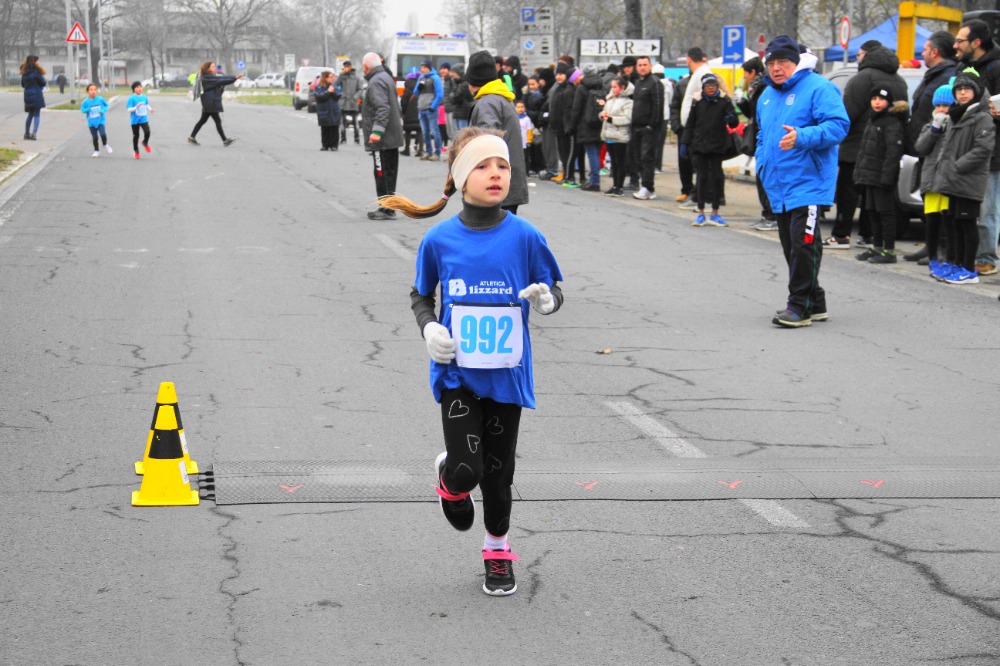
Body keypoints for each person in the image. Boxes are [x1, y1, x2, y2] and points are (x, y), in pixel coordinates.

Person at [379, 127, 564, 597]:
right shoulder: (440, 239)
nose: (496, 173)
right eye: (483, 165)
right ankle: (452, 480)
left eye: (503, 165)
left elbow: (553, 287)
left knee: (499, 477)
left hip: (507, 376)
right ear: (462, 176)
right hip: (457, 373)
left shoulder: (525, 236)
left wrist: (548, 301)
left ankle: (497, 550)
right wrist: (430, 329)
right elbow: (421, 294)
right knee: (468, 471)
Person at [756, 36, 849, 328]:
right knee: (791, 247)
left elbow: (838, 126)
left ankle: (799, 307)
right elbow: (762, 135)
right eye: (771, 62)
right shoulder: (766, 95)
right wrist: (761, 161)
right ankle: (815, 300)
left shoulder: (819, 87)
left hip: (809, 181)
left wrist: (802, 136)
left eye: (783, 62)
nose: (776, 68)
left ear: (796, 62)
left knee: (803, 243)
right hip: (778, 184)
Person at [917, 69, 995, 284]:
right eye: (959, 89)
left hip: (968, 180)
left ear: (975, 92)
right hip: (951, 180)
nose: (962, 93)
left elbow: (983, 149)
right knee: (955, 224)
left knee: (967, 225)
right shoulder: (955, 116)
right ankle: (957, 265)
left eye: (967, 89)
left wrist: (957, 166)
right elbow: (942, 149)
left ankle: (968, 269)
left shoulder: (981, 117)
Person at [830, 40, 907, 248]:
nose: (857, 59)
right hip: (885, 148)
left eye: (858, 55)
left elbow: (847, 114)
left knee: (847, 193)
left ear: (866, 54)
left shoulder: (862, 78)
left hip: (857, 146)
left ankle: (841, 235)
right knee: (871, 197)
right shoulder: (899, 80)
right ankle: (868, 235)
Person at [903, 31, 957, 263]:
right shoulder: (932, 75)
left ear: (935, 52)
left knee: (941, 202)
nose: (922, 53)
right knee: (929, 200)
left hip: (938, 148)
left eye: (925, 49)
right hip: (925, 146)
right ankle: (930, 245)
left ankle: (942, 249)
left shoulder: (948, 76)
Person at [953, 19, 1000, 275]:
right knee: (966, 209)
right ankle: (963, 255)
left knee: (988, 208)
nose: (955, 45)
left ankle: (987, 258)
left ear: (976, 42)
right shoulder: (962, 67)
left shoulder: (997, 67)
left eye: (960, 40)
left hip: (992, 150)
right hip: (963, 148)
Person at [466, 50, 529, 214]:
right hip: (506, 179)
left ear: (472, 82)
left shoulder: (487, 103)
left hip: (495, 184)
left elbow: (487, 143)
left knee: (493, 227)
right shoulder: (501, 97)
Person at [852, 86, 908, 263]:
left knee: (885, 213)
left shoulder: (891, 122)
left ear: (889, 102)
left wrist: (887, 177)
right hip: (869, 175)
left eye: (881, 99)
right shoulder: (873, 119)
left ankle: (889, 250)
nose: (877, 102)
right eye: (874, 98)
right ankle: (877, 246)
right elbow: (865, 150)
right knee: (872, 211)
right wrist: (859, 173)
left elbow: (893, 152)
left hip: (882, 177)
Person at [681, 73, 739, 227]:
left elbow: (734, 123)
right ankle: (700, 212)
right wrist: (685, 142)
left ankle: (715, 212)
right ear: (703, 88)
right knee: (701, 178)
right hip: (700, 145)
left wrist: (732, 118)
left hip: (718, 145)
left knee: (717, 178)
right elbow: (690, 124)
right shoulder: (697, 102)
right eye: (708, 86)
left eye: (713, 85)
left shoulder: (724, 101)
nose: (711, 88)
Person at [915, 85, 958, 277]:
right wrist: (934, 129)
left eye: (946, 106)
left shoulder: (956, 127)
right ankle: (932, 255)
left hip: (947, 182)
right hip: (931, 182)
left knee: (947, 222)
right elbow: (920, 147)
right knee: (932, 222)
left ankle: (946, 255)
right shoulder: (929, 127)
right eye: (938, 105)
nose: (941, 109)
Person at [361, 51, 404, 220]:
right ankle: (389, 207)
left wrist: (377, 131)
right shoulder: (386, 77)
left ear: (366, 67)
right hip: (392, 134)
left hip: (383, 137)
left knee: (381, 172)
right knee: (390, 172)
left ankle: (386, 208)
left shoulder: (375, 81)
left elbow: (382, 108)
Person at [736, 57, 777, 231]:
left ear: (753, 72)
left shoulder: (763, 87)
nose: (744, 77)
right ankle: (767, 213)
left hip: (764, 138)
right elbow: (752, 113)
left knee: (765, 177)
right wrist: (742, 103)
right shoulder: (756, 87)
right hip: (759, 137)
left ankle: (771, 215)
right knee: (761, 176)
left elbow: (759, 115)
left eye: (746, 73)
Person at [630, 56, 665, 200]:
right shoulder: (638, 83)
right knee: (638, 158)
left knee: (647, 158)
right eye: (640, 65)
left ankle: (647, 187)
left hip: (649, 128)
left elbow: (658, 106)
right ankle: (645, 186)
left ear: (650, 66)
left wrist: (651, 125)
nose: (642, 67)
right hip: (636, 126)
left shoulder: (655, 83)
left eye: (645, 64)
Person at [568, 63, 605, 192]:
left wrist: (572, 126)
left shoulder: (582, 87)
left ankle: (594, 181)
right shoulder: (601, 84)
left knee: (591, 154)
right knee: (596, 153)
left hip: (585, 124)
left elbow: (576, 109)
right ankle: (594, 179)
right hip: (599, 123)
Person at [188, 61, 242, 146]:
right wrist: (234, 79)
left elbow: (221, 78)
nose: (215, 68)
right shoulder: (207, 78)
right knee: (217, 120)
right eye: (213, 67)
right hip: (210, 102)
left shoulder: (208, 77)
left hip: (208, 101)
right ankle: (225, 140)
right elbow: (220, 81)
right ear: (207, 68)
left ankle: (192, 137)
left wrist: (234, 77)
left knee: (203, 120)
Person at [600, 75, 633, 196]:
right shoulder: (610, 100)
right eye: (612, 87)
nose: (613, 89)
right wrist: (602, 115)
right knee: (613, 162)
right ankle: (614, 185)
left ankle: (619, 187)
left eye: (615, 87)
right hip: (609, 134)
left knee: (620, 162)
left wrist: (611, 119)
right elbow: (604, 113)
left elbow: (627, 119)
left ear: (622, 87)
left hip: (620, 136)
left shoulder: (628, 102)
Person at [669, 71, 694, 204]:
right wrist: (676, 126)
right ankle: (686, 190)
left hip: (700, 131)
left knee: (701, 163)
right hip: (683, 130)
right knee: (684, 161)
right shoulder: (682, 84)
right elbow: (674, 106)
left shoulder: (707, 82)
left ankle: (703, 192)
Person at [416, 60, 444, 161]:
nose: (422, 69)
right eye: (421, 67)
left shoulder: (435, 78)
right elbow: (415, 92)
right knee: (425, 131)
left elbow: (440, 94)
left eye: (424, 67)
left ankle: (437, 152)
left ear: (429, 68)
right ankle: (428, 151)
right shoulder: (421, 78)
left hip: (430, 109)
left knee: (434, 131)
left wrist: (433, 106)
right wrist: (419, 87)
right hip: (421, 108)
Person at [313, 70, 342, 151]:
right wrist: (328, 92)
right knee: (325, 128)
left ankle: (334, 145)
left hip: (334, 110)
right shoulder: (319, 87)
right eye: (330, 77)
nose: (332, 78)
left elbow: (338, 95)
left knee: (334, 128)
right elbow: (319, 96)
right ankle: (325, 145)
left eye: (333, 77)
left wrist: (332, 92)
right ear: (325, 78)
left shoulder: (335, 86)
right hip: (324, 111)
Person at [80, 83, 111, 158]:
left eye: (95, 89)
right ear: (87, 91)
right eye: (91, 90)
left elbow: (107, 105)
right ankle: (96, 151)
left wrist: (103, 110)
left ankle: (105, 144)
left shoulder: (100, 99)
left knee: (103, 134)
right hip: (91, 123)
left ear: (97, 91)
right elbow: (82, 110)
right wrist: (88, 109)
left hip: (100, 121)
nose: (93, 91)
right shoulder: (86, 101)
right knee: (95, 137)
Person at [334, 61, 362, 144]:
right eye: (345, 66)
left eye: (348, 66)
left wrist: (355, 97)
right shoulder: (342, 77)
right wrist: (341, 74)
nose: (346, 68)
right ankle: (343, 138)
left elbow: (360, 89)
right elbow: (335, 84)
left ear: (350, 67)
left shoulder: (356, 77)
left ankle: (357, 138)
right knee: (342, 121)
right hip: (343, 102)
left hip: (353, 102)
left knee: (355, 121)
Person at [126, 81, 154, 159]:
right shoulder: (131, 98)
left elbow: (146, 104)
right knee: (136, 136)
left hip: (143, 119)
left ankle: (145, 142)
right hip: (135, 120)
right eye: (137, 87)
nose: (139, 88)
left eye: (140, 87)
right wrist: (136, 107)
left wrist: (150, 109)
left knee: (147, 132)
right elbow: (129, 109)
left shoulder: (144, 97)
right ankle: (136, 151)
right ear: (134, 89)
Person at [20, 55, 46, 141]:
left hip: (27, 95)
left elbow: (23, 84)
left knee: (30, 114)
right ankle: (34, 133)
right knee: (37, 114)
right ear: (33, 61)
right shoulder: (36, 72)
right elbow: (43, 82)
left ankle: (26, 133)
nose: (38, 62)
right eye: (37, 60)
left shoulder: (24, 72)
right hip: (36, 94)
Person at [400, 67, 423, 157]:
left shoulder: (407, 87)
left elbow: (404, 101)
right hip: (419, 110)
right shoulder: (421, 85)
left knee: (408, 131)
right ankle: (420, 150)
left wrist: (403, 112)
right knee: (419, 131)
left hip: (409, 112)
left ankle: (407, 149)